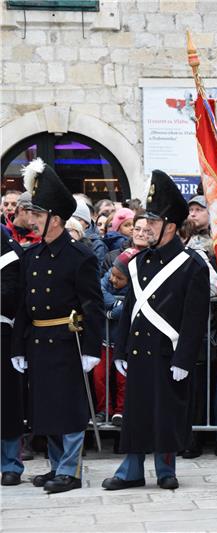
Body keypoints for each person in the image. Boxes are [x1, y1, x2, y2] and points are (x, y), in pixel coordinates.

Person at [101, 170, 209, 491]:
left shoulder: (193, 264)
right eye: (144, 219)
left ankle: (165, 468)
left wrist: (184, 359)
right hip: (138, 351)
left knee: (167, 411)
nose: (144, 226)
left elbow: (194, 318)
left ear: (171, 227)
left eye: (153, 220)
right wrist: (120, 349)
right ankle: (131, 468)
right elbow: (131, 311)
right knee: (135, 412)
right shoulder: (137, 263)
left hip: (169, 353)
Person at [10, 159, 104, 493]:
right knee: (46, 407)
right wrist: (18, 347)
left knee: (70, 408)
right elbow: (23, 305)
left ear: (56, 219)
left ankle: (70, 470)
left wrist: (93, 348)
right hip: (38, 338)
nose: (31, 220)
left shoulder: (80, 256)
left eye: (37, 215)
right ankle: (55, 466)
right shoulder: (32, 256)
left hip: (68, 340)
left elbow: (93, 305)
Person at [94, 248, 138, 427]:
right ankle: (104, 409)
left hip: (124, 341)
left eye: (119, 278)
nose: (113, 279)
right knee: (99, 376)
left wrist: (113, 311)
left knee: (123, 377)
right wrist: (115, 304)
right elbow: (98, 290)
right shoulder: (108, 277)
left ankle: (121, 410)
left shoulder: (136, 286)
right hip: (105, 339)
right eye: (113, 274)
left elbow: (127, 307)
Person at [1, 226, 25, 486]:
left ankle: (10, 464)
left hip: (2, 335)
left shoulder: (8, 254)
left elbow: (9, 295)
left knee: (6, 404)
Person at [71, 199, 109, 266]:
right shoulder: (62, 238)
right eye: (70, 218)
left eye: (77, 219)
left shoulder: (97, 244)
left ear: (87, 224)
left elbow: (97, 271)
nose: (73, 222)